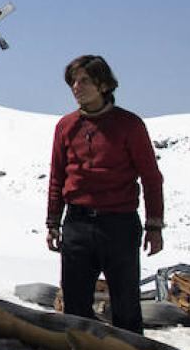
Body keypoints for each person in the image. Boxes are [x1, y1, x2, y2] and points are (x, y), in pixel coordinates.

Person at [46, 54, 164, 333]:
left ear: (102, 84)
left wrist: (154, 225)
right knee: (75, 304)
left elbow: (151, 177)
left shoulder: (129, 125)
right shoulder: (66, 126)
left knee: (125, 304)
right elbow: (57, 177)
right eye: (73, 81)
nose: (77, 87)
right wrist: (53, 223)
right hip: (77, 224)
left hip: (119, 224)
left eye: (84, 80)